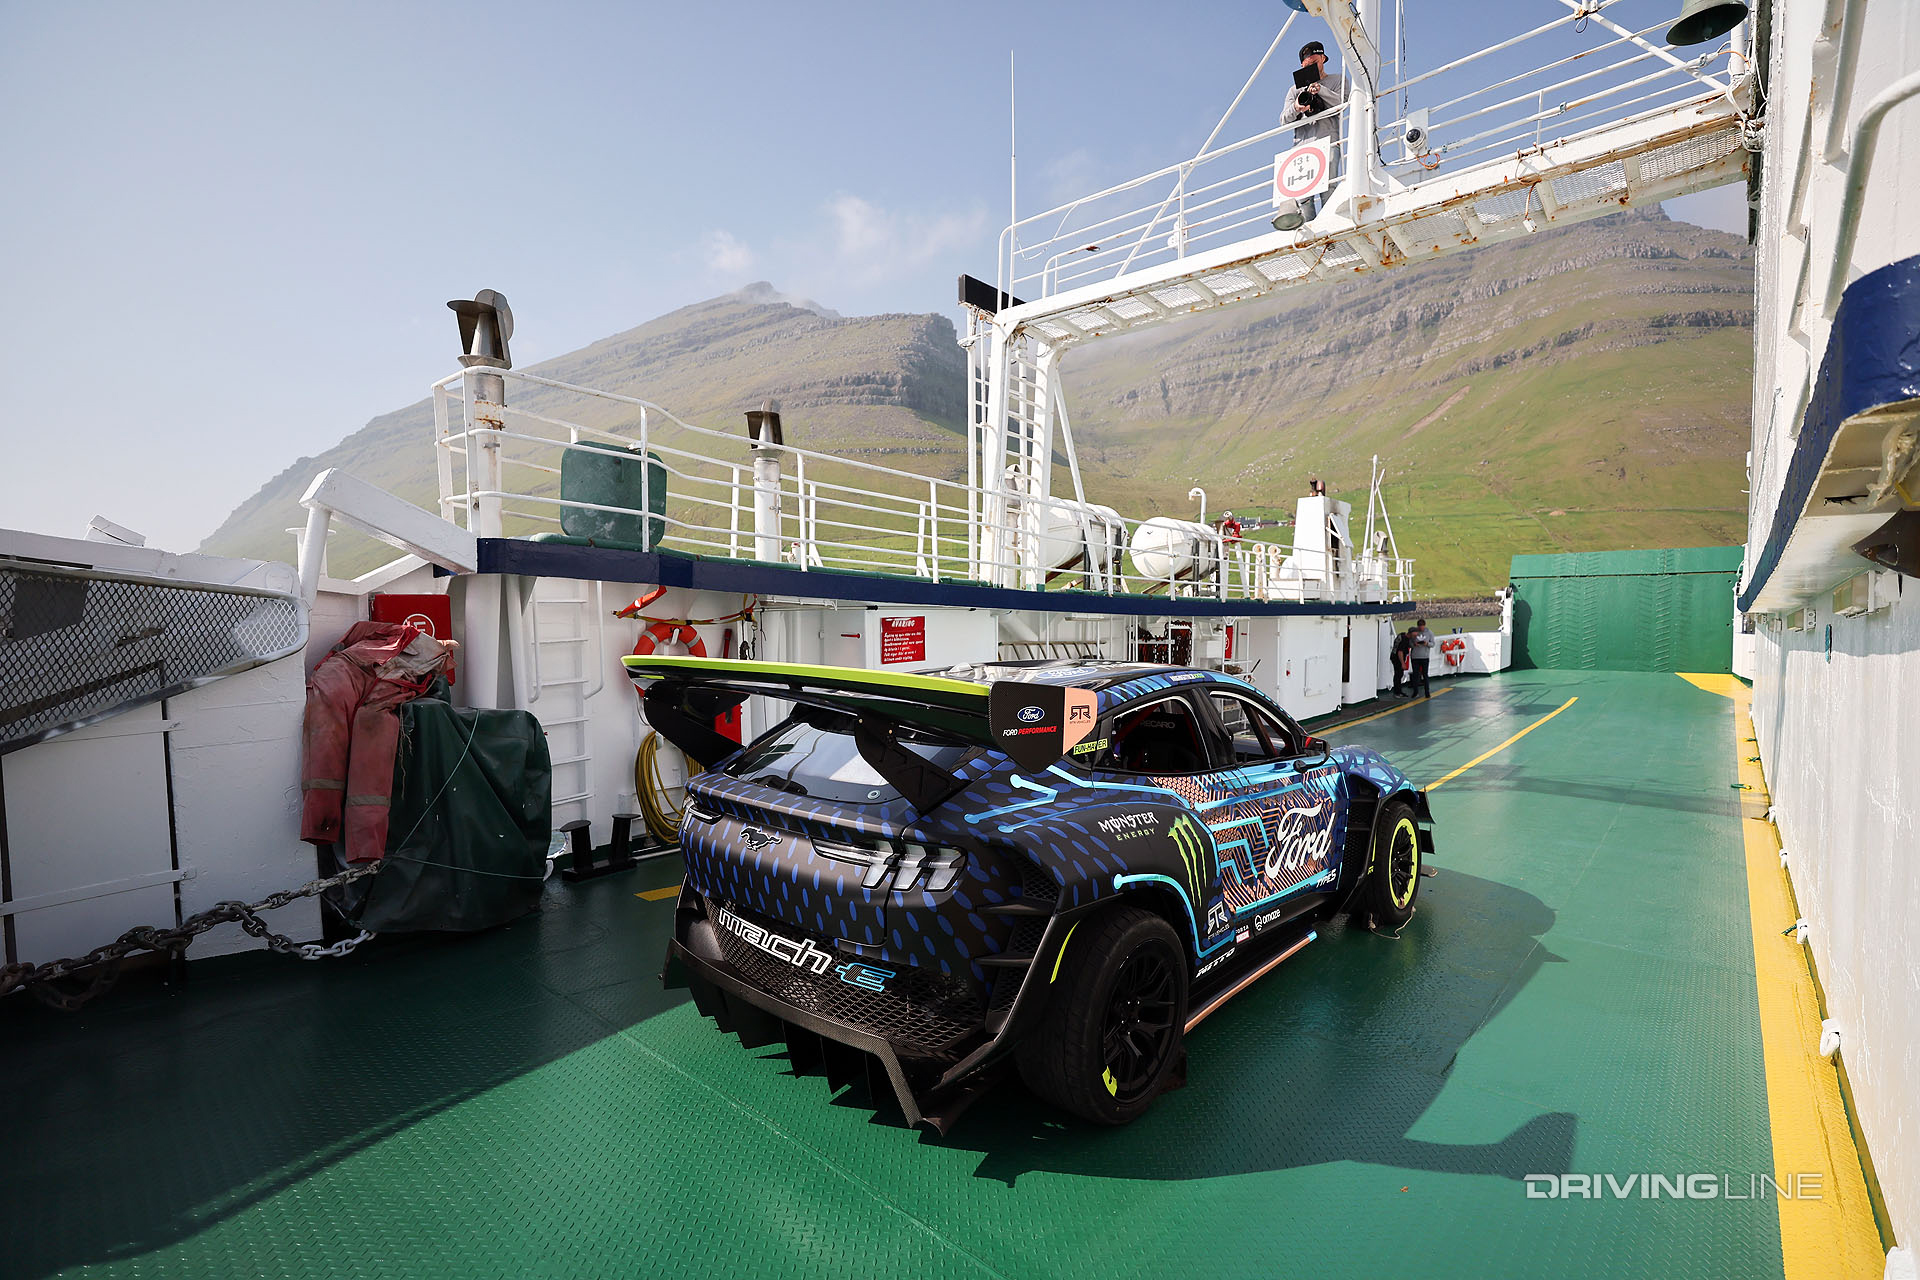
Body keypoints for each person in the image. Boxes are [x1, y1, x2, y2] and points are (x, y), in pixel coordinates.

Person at [1281, 40, 1347, 222]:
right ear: (1302, 65)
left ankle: (1331, 228)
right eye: (1307, 63)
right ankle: (1310, 230)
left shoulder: (1337, 80)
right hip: (1302, 148)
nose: (1311, 65)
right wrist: (1297, 106)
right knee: (1303, 197)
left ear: (1323, 58)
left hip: (1328, 142)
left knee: (1328, 188)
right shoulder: (1294, 90)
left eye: (1315, 61)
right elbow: (1283, 119)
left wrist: (1321, 90)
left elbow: (1342, 104)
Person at [1409, 617, 1436, 699]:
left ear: (1424, 625)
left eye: (1422, 626)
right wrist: (1414, 644)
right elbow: (1410, 643)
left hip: (1424, 657)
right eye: (1419, 626)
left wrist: (1427, 644)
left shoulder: (1429, 633)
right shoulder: (1414, 633)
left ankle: (1427, 692)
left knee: (1425, 674)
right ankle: (1415, 692)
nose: (1421, 628)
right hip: (1415, 657)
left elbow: (1433, 644)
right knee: (1415, 675)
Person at [1390, 627, 1413, 698]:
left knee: (1399, 674)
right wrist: (1403, 663)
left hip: (1394, 657)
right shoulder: (1404, 640)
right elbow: (1400, 652)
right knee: (1398, 675)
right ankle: (1396, 692)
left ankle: (1399, 691)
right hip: (1397, 659)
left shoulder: (1402, 635)